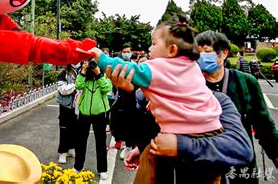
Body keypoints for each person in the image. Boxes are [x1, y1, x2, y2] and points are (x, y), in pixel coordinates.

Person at [90, 15, 224, 183]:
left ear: (172, 50)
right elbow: (126, 130)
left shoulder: (160, 67)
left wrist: (101, 58)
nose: (149, 48)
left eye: (154, 43)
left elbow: (130, 69)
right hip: (211, 133)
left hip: (186, 138)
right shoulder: (192, 67)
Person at [105, 60, 253, 183]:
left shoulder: (218, 101)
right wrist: (126, 94)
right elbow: (123, 133)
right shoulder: (145, 97)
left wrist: (180, 145)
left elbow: (240, 148)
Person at [195, 30, 278, 183]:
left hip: (240, 167)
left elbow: (264, 125)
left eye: (206, 52)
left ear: (224, 54)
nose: (201, 58)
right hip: (202, 167)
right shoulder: (189, 85)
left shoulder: (246, 82)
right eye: (197, 53)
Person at [74, 60, 112, 180]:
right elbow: (78, 86)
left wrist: (99, 74)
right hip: (84, 112)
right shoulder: (83, 76)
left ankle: (102, 169)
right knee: (80, 141)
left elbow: (107, 89)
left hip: (100, 113)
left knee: (100, 142)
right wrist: (83, 72)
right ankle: (78, 166)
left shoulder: (104, 75)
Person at [56, 64, 78, 164]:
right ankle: (63, 152)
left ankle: (72, 148)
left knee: (75, 128)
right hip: (66, 105)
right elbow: (63, 90)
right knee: (64, 128)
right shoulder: (63, 73)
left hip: (77, 105)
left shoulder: (83, 70)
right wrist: (76, 85)